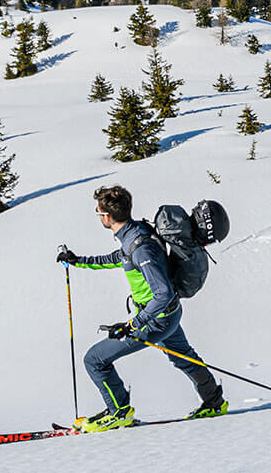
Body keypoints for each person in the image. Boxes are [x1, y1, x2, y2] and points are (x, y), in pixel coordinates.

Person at [56, 184, 226, 431]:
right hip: (167, 315)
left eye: (98, 212)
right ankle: (215, 402)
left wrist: (132, 325)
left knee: (94, 359)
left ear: (107, 216)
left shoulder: (140, 247)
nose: (98, 215)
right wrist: (78, 261)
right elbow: (119, 258)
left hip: (156, 319)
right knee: (184, 357)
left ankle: (119, 413)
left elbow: (163, 292)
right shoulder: (135, 233)